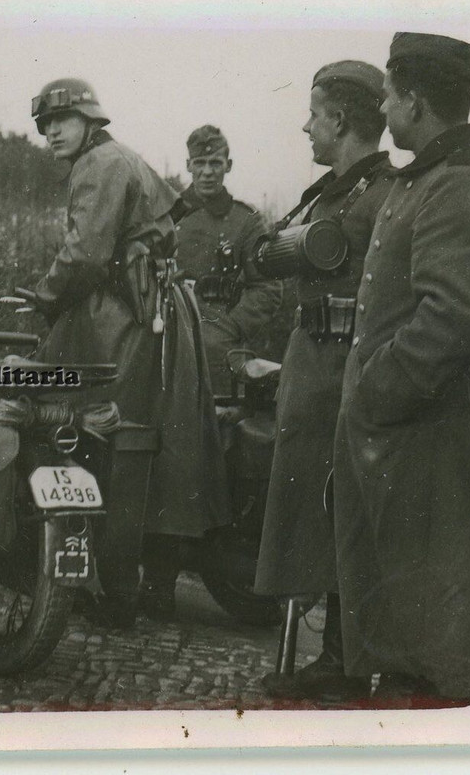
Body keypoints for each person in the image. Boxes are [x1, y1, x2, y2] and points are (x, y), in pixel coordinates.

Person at [333, 32, 470, 705]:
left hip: (433, 434)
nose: (382, 109)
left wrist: (376, 391)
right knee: (414, 614)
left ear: (413, 102)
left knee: (444, 635)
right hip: (416, 433)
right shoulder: (437, 175)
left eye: (386, 95)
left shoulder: (457, 183)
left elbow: (449, 318)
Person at [29, 78, 229, 628]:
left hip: (130, 318)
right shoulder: (116, 159)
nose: (50, 133)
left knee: (106, 441)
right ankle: (143, 588)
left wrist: (44, 299)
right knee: (157, 448)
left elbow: (85, 254)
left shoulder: (99, 163)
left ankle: (113, 594)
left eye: (61, 121)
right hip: (153, 313)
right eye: (45, 125)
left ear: (90, 120)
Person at [251, 61, 395, 701]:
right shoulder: (323, 194)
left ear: (340, 120)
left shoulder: (388, 191)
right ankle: (328, 659)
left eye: (314, 113)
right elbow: (265, 250)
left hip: (351, 369)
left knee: (347, 511)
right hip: (310, 365)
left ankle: (344, 660)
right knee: (308, 510)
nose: (305, 125)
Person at [170, 126, 282, 393]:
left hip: (220, 348)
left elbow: (268, 288)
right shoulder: (167, 215)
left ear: (228, 165)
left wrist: (230, 326)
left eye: (215, 163)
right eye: (199, 163)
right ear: (188, 165)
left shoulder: (245, 221)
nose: (207, 172)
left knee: (220, 422)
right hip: (169, 335)